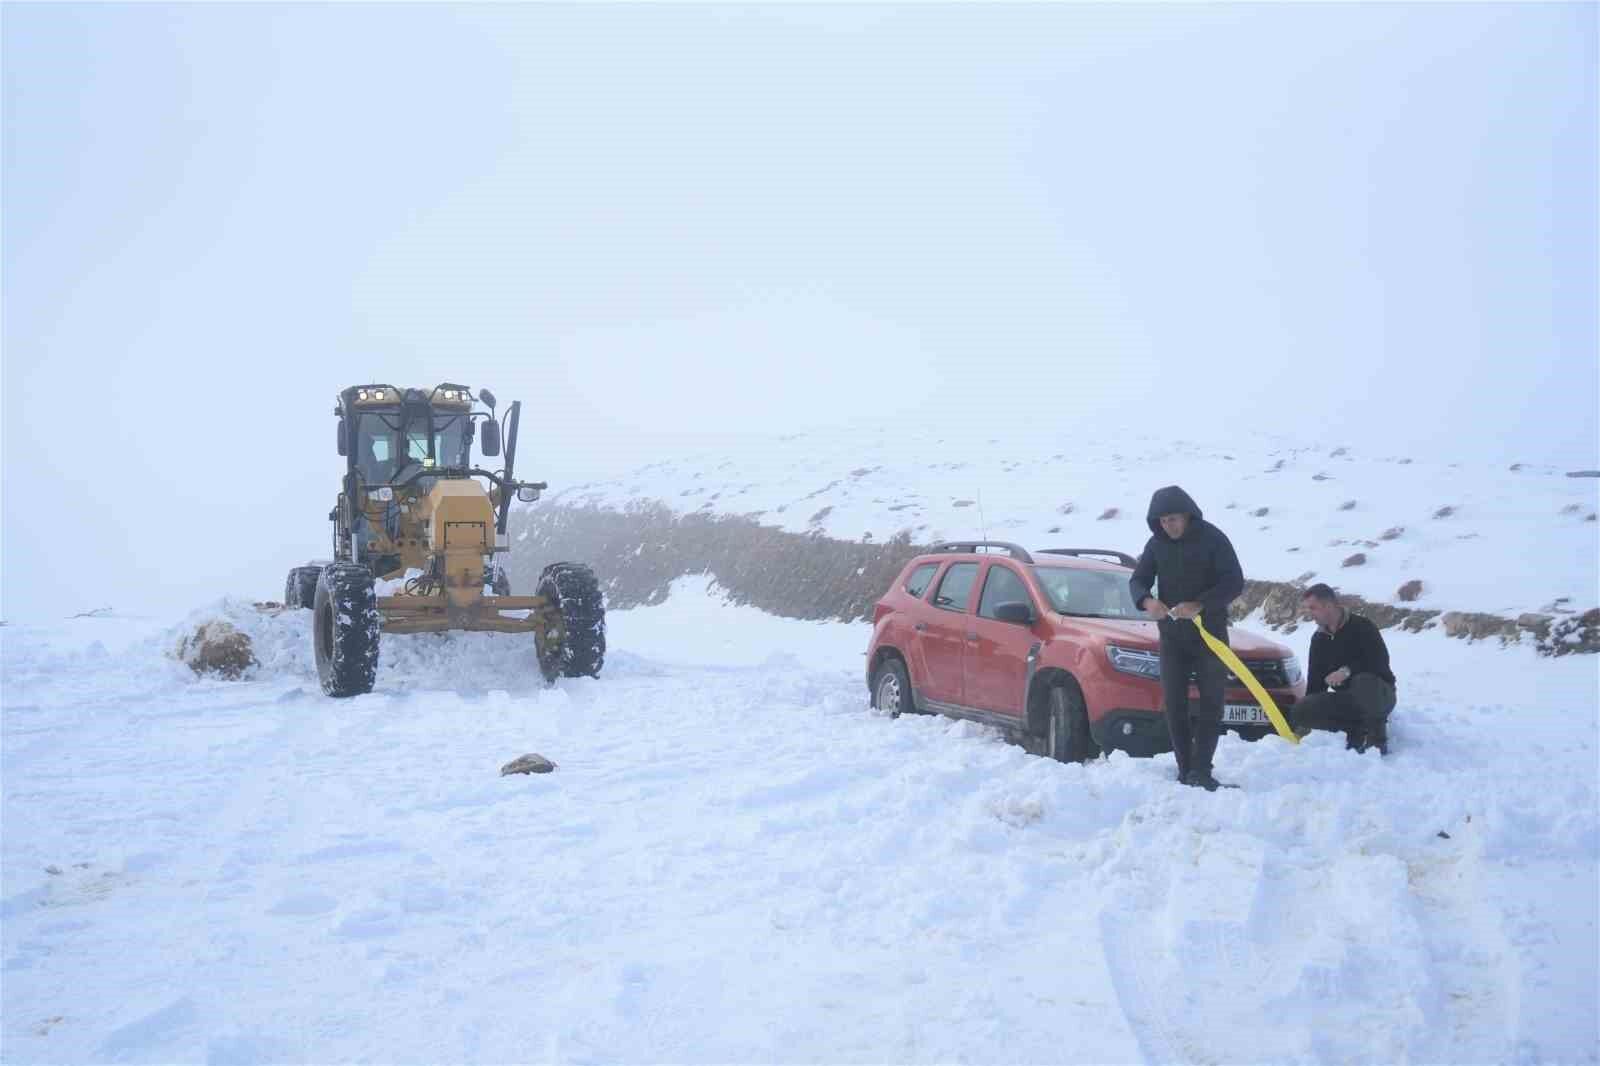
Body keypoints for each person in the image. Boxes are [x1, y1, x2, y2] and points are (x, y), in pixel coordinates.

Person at [1129, 486, 1245, 790]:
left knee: (1211, 702)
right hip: (1172, 637)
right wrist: (1146, 601)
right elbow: (1138, 580)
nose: (1169, 526)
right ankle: (1185, 769)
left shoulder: (1213, 538)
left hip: (1210, 635)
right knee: (1174, 703)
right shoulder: (1156, 544)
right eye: (1163, 521)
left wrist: (1200, 604)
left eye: (1174, 519)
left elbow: (1234, 581)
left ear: (1187, 515)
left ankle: (1202, 770)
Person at [1292, 584, 1397, 754]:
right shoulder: (1319, 639)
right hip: (1347, 701)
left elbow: (1379, 662)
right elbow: (1315, 682)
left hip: (1380, 694)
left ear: (1328, 605)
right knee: (1301, 709)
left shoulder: (1362, 626)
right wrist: (1305, 715)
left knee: (1364, 682)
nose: (1310, 613)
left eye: (1313, 608)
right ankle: (1355, 729)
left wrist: (1346, 671)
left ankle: (1376, 742)